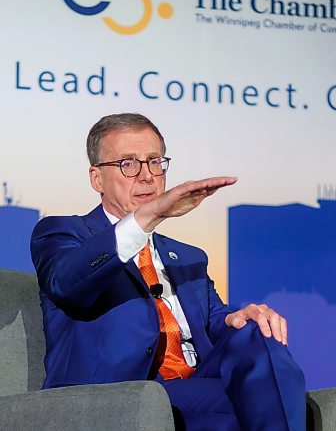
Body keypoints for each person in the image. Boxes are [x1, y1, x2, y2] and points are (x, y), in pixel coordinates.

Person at [31, 113, 305, 430]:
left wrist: (237, 318)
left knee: (257, 332)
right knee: (255, 408)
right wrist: (150, 215)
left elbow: (213, 321)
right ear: (97, 179)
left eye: (154, 162)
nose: (147, 176)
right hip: (117, 393)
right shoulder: (62, 234)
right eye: (128, 164)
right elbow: (68, 282)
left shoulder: (187, 256)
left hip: (194, 382)